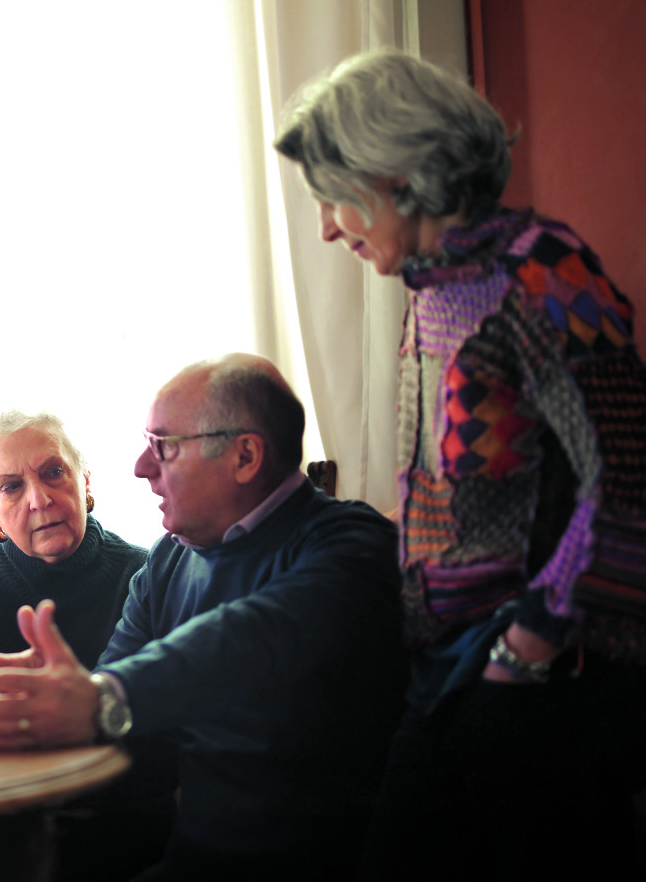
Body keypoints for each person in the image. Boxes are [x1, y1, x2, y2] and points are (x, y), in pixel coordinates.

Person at [274, 49, 646, 878]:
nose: (330, 226)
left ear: (397, 173)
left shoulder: (542, 269)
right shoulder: (434, 287)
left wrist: (529, 648)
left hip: (540, 682)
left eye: (335, 197)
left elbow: (627, 476)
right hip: (451, 666)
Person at [0, 355, 406, 880]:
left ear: (244, 456)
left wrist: (104, 698)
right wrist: (57, 706)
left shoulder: (354, 543)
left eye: (163, 447)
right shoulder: (169, 560)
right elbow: (112, 696)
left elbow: (253, 635)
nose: (142, 468)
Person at [0, 410, 147, 706]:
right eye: (11, 487)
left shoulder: (144, 572)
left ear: (84, 480)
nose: (39, 500)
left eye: (54, 472)